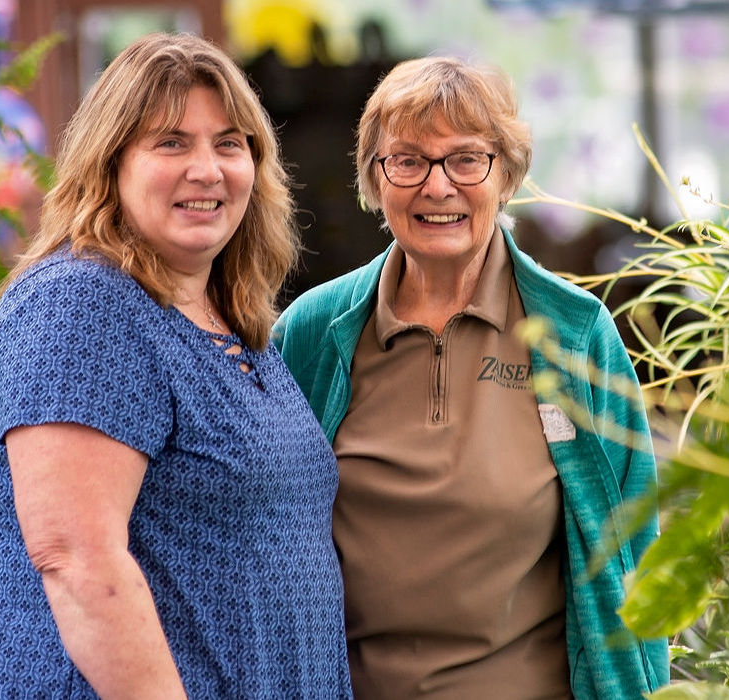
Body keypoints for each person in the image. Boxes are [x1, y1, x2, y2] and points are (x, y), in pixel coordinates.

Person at [0, 32, 352, 699]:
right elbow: (74, 560)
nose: (206, 168)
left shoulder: (230, 319)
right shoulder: (81, 302)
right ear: (109, 162)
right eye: (170, 142)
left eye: (229, 143)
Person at [272, 56, 669, 699]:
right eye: (408, 161)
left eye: (466, 159)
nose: (437, 187)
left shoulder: (572, 332)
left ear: (506, 175)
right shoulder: (313, 333)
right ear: (375, 179)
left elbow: (634, 549)